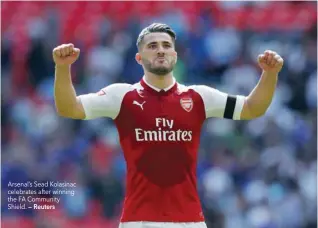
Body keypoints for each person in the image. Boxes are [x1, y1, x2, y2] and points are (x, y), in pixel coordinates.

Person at [53, 23, 284, 228]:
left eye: (166, 45)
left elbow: (253, 108)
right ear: (139, 58)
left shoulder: (199, 97)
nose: (160, 49)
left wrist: (270, 74)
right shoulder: (121, 96)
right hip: (138, 222)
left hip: (190, 222)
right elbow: (69, 108)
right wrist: (62, 68)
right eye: (152, 46)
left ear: (175, 55)